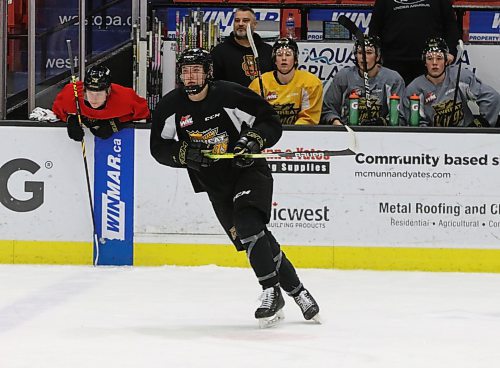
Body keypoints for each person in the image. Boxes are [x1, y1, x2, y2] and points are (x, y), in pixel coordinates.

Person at [150, 48, 320, 327]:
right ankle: (298, 291)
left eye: (196, 70)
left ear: (208, 73)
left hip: (248, 172)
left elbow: (269, 121)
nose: (190, 76)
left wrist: (253, 140)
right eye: (186, 71)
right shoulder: (170, 107)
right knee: (256, 238)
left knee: (248, 224)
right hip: (216, 186)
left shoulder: (230, 95)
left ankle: (270, 290)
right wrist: (184, 155)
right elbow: (158, 147)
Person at [405, 37, 500, 127]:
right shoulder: (414, 89)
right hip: (433, 140)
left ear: (446, 61)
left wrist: (480, 124)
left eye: (439, 58)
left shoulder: (460, 76)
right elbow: (416, 125)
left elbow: (492, 98)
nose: (434, 63)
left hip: (467, 138)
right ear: (424, 62)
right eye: (429, 59)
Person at [368, 0, 460, 86]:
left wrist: (451, 51)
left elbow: (451, 25)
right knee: (393, 101)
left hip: (430, 61)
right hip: (393, 62)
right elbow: (374, 28)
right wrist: (374, 56)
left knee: (432, 102)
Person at [321, 35, 406, 126]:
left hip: (382, 135)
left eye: (369, 53)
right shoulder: (343, 77)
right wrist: (337, 123)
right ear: (355, 55)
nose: (364, 57)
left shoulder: (393, 79)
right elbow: (328, 111)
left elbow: (401, 117)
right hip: (348, 132)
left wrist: (383, 123)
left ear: (377, 56)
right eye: (360, 53)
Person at [52, 65, 150, 141]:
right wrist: (70, 120)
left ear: (108, 91)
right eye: (90, 93)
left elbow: (144, 114)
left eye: (99, 94)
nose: (94, 99)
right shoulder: (70, 95)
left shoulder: (126, 98)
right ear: (84, 90)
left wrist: (116, 122)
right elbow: (57, 112)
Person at [248, 38, 323, 125]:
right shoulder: (259, 84)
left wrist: (291, 133)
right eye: (279, 55)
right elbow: (252, 116)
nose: (283, 58)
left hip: (299, 135)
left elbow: (308, 119)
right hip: (269, 133)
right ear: (275, 60)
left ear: (295, 60)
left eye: (288, 54)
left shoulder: (311, 83)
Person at [210, 7, 273, 86]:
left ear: (255, 25)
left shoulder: (268, 51)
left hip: (262, 98)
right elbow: (214, 85)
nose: (240, 24)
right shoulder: (219, 52)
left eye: (245, 21)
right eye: (237, 20)